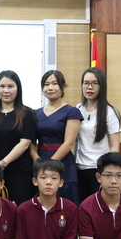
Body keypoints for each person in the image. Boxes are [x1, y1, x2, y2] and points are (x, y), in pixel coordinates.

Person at [0, 70, 37, 205]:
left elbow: (25, 143)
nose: (6, 90)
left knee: (19, 208)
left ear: (18, 88)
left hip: (21, 172)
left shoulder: (27, 113)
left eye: (10, 86)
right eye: (2, 86)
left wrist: (3, 163)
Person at [33, 70, 83, 204]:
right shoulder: (35, 113)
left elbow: (68, 143)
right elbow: (31, 142)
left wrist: (50, 164)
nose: (50, 88)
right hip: (40, 160)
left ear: (63, 86)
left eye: (54, 84)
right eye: (46, 84)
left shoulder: (72, 111)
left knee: (65, 203)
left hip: (62, 161)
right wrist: (37, 161)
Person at [76, 68, 121, 201]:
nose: (89, 87)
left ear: (102, 86)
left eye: (94, 83)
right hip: (79, 168)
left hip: (99, 170)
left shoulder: (110, 112)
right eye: (86, 83)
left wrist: (108, 173)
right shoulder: (77, 109)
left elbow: (114, 147)